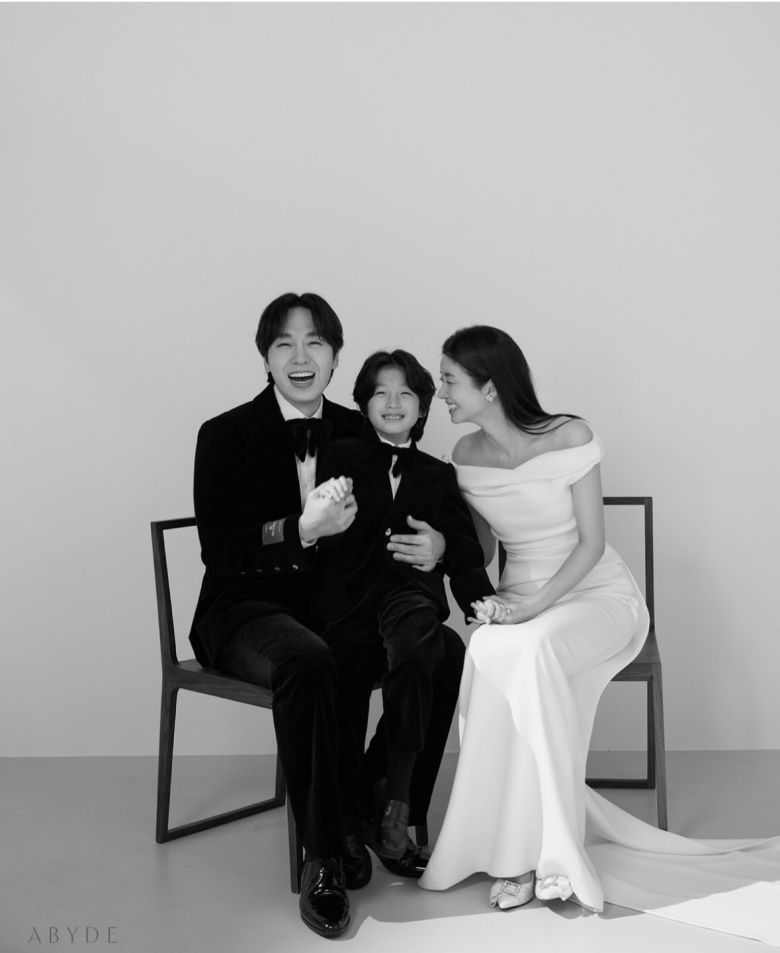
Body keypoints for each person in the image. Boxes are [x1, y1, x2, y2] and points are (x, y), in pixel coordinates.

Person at [419, 326, 780, 947]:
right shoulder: (465, 455)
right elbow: (481, 547)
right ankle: (508, 848)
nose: (441, 392)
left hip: (596, 594)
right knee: (487, 650)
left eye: (449, 380)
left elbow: (591, 544)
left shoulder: (571, 436)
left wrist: (533, 607)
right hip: (521, 598)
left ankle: (545, 856)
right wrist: (451, 559)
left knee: (530, 648)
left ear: (490, 386)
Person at [189, 293, 456, 938]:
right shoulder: (224, 435)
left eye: (315, 342)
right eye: (284, 343)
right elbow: (220, 551)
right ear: (265, 358)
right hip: (243, 608)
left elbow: (406, 511)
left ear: (336, 358)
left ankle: (379, 804)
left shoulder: (361, 429)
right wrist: (299, 529)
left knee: (443, 649)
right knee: (310, 659)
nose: (300, 355)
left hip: (335, 606)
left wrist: (441, 545)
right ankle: (325, 854)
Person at [316, 349, 493, 867]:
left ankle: (395, 804)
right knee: (351, 662)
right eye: (380, 393)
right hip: (346, 602)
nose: (393, 402)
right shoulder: (339, 456)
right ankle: (352, 815)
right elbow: (319, 524)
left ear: (422, 407)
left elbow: (465, 553)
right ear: (363, 404)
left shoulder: (437, 475)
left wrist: (482, 603)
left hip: (408, 597)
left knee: (422, 644)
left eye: (406, 394)